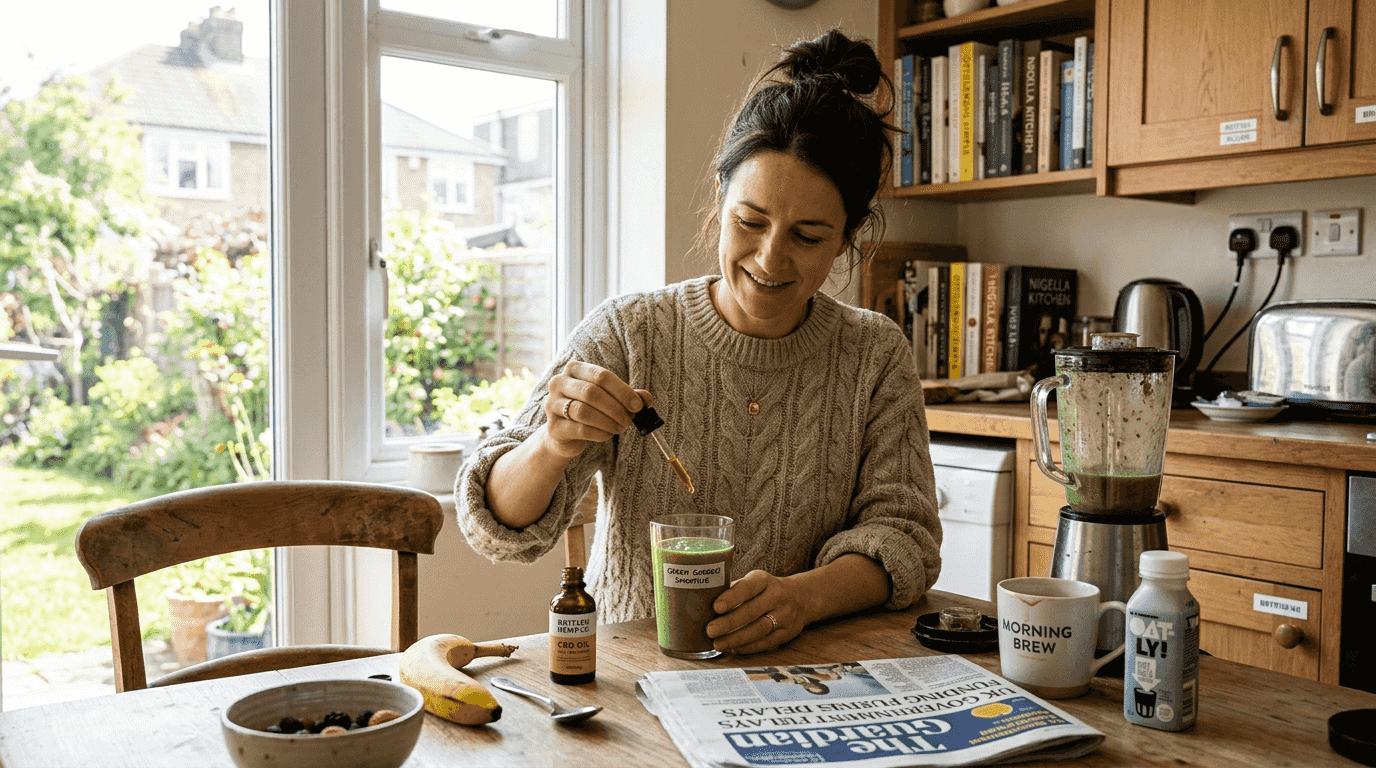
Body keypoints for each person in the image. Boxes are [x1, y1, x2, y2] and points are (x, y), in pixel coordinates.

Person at [457, 29, 940, 655]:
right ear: (720, 201)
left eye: (809, 235)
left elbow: (904, 539)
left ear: (847, 238)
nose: (770, 258)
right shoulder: (630, 332)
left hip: (808, 679)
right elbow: (496, 528)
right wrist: (551, 443)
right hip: (638, 675)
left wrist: (804, 597)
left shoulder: (875, 355)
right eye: (750, 222)